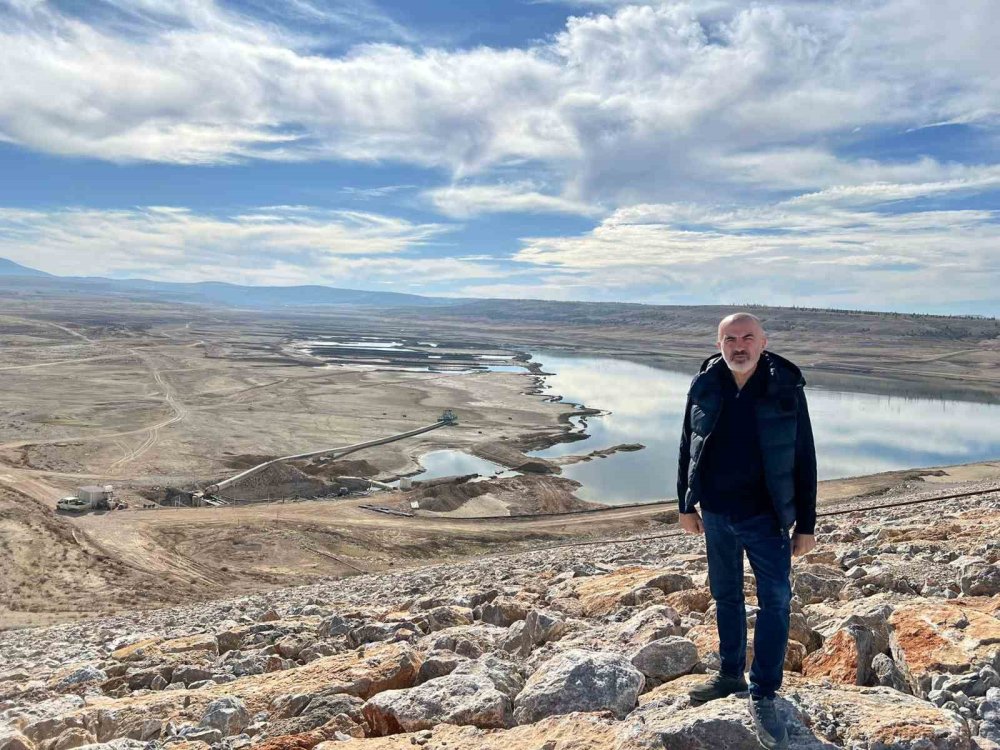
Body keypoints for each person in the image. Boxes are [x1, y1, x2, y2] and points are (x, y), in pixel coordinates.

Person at [677, 312, 817, 750]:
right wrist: (685, 504)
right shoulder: (705, 384)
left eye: (747, 338)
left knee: (775, 601)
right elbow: (688, 444)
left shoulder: (784, 388)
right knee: (726, 595)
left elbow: (804, 456)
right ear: (719, 343)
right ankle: (729, 674)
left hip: (766, 516)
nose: (739, 346)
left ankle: (765, 692)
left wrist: (806, 524)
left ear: (763, 342)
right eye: (730, 338)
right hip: (716, 513)